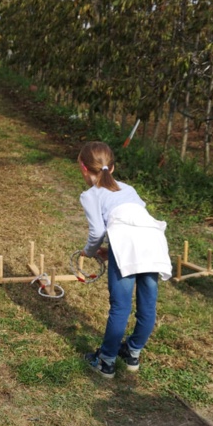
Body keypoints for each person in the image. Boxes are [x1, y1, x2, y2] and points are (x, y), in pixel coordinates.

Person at [77, 142, 172, 379]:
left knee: (120, 307)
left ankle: (106, 361)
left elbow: (97, 231)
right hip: (153, 243)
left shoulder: (90, 195)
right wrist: (113, 250)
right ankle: (132, 352)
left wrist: (89, 252)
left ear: (83, 168)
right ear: (113, 167)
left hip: (130, 245)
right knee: (147, 305)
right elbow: (135, 222)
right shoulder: (127, 188)